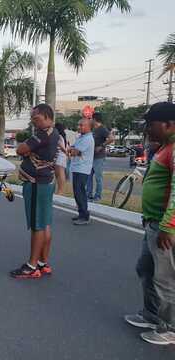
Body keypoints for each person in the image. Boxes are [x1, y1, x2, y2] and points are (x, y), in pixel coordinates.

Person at [125, 102, 175, 346]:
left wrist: (169, 226)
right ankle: (152, 314)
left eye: (151, 124)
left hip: (165, 226)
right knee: (146, 268)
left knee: (166, 279)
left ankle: (170, 328)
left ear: (167, 124)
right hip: (153, 222)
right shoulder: (166, 146)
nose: (147, 130)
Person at [10, 104, 60, 279]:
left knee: (37, 226)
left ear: (47, 117)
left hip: (36, 184)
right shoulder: (55, 133)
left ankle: (31, 266)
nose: (34, 122)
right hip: (45, 182)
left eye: (36, 118)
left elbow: (20, 149)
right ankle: (42, 262)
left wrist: (25, 145)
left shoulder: (42, 135)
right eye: (32, 119)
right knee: (45, 224)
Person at [69, 118, 94, 225]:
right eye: (78, 125)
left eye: (82, 125)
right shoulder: (81, 137)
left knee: (80, 193)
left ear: (89, 127)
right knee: (77, 192)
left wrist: (71, 150)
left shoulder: (87, 139)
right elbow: (73, 149)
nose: (79, 127)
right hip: (77, 167)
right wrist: (72, 150)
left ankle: (84, 216)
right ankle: (81, 213)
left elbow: (74, 151)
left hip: (82, 169)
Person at [87, 112, 113, 202]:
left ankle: (97, 196)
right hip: (91, 157)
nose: (90, 120)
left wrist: (102, 146)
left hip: (99, 157)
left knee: (98, 177)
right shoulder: (93, 129)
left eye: (91, 119)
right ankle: (88, 195)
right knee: (88, 177)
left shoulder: (102, 129)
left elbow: (111, 138)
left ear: (94, 119)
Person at [54, 123, 69, 194]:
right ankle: (60, 189)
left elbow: (61, 145)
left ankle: (60, 190)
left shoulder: (59, 136)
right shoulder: (63, 136)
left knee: (60, 173)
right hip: (62, 156)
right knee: (60, 174)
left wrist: (65, 152)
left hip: (60, 156)